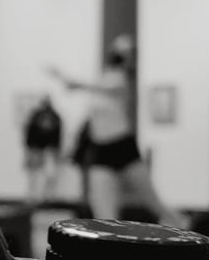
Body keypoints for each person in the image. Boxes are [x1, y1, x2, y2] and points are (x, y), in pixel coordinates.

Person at [47, 36, 186, 225]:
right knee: (103, 212)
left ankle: (183, 226)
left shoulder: (122, 80)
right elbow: (91, 113)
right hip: (100, 149)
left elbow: (102, 87)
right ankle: (109, 241)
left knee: (153, 201)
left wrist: (74, 82)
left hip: (123, 146)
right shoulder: (103, 79)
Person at [22, 94, 64, 205]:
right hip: (36, 148)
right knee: (34, 174)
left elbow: (57, 135)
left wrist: (55, 149)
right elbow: (30, 132)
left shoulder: (55, 116)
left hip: (49, 149)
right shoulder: (36, 115)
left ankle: (47, 196)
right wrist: (30, 147)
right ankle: (33, 196)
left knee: (50, 174)